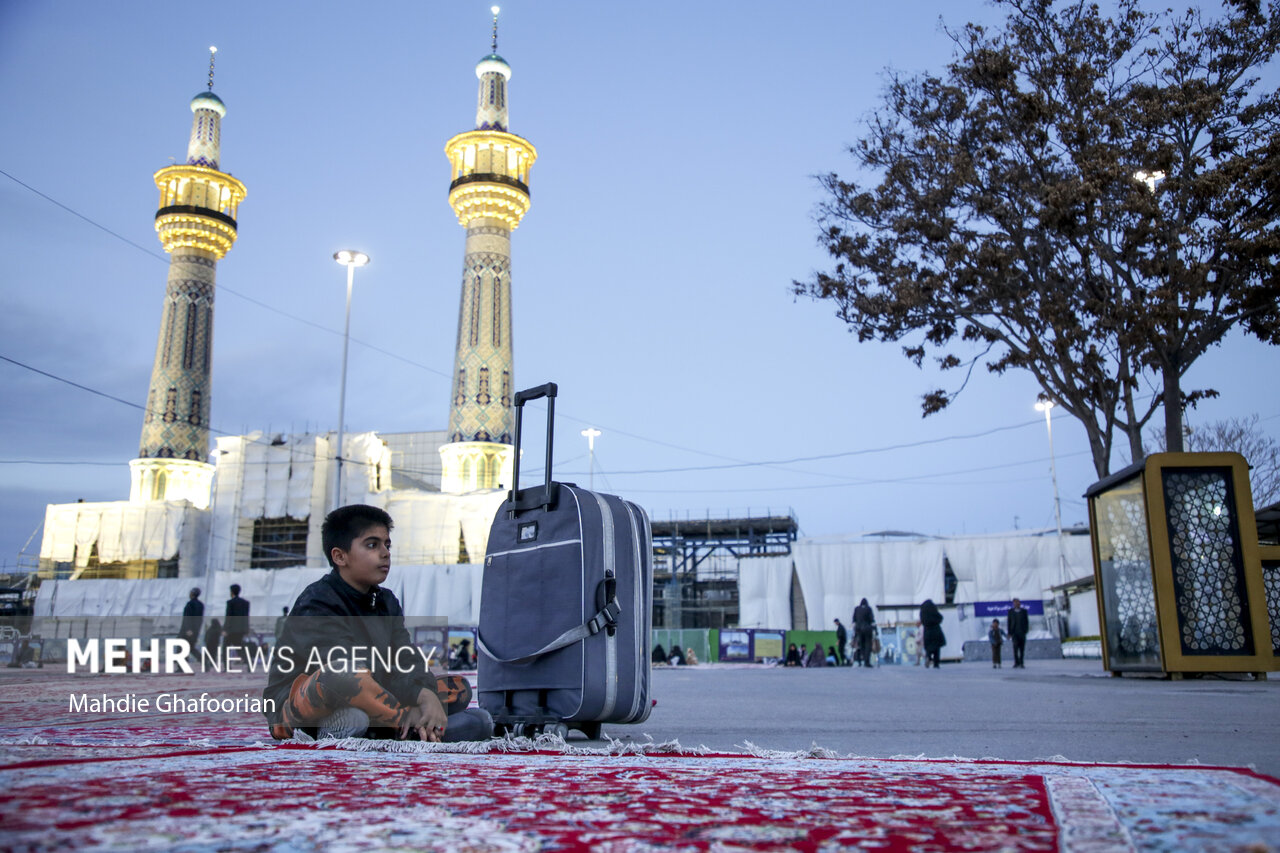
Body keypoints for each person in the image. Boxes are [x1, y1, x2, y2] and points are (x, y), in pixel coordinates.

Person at [263, 504, 493, 742]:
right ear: (340, 556)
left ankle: (391, 728)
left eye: (387, 544)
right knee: (345, 675)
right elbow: (347, 669)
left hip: (373, 692)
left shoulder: (386, 601)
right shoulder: (317, 601)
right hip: (305, 705)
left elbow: (406, 658)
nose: (385, 553)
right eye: (372, 545)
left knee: (458, 688)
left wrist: (425, 694)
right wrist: (411, 705)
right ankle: (408, 726)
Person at [223, 584, 251, 666]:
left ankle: (227, 666)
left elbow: (228, 617)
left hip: (231, 630)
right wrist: (246, 629)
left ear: (231, 592)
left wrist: (225, 629)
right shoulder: (245, 603)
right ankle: (249, 663)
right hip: (240, 630)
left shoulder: (230, 603)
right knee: (240, 647)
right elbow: (246, 617)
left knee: (225, 648)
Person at [920, 599, 945, 669]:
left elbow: (922, 621)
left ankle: (928, 657)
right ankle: (936, 663)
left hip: (927, 630)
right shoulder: (933, 609)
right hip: (936, 630)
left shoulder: (922, 611)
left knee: (929, 647)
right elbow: (940, 618)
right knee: (937, 648)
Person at [179, 587, 204, 652]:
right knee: (190, 647)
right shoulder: (201, 605)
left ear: (192, 594)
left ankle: (181, 661)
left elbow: (187, 618)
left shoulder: (190, 604)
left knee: (181, 647)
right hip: (195, 630)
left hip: (186, 631)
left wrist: (188, 629)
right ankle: (204, 659)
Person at [1007, 597, 1030, 669]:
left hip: (1022, 633)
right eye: (1015, 602)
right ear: (1013, 604)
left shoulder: (1024, 611)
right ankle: (1016, 662)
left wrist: (1025, 630)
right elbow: (1009, 622)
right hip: (1014, 633)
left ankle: (1021, 662)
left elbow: (1026, 621)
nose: (1016, 604)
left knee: (1022, 649)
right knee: (1015, 648)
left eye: (1017, 602)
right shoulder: (1010, 612)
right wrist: (1009, 633)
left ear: (1019, 603)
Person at [853, 598, 876, 668]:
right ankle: (867, 661)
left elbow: (854, 619)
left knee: (861, 645)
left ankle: (861, 659)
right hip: (867, 629)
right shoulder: (869, 609)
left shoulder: (856, 609)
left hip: (859, 629)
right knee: (868, 645)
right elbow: (872, 620)